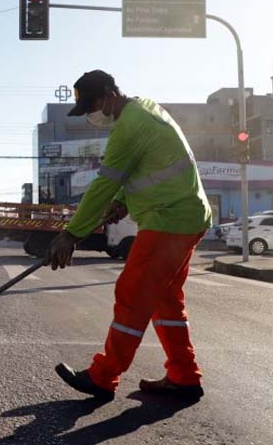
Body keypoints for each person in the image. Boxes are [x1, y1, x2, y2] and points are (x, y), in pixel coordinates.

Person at [47, 70, 212, 401]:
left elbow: (104, 183)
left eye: (91, 107)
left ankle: (102, 376)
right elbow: (146, 167)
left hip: (168, 219)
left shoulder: (129, 126)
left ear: (109, 94)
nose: (92, 117)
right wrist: (122, 203)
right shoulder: (145, 109)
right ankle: (184, 376)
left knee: (133, 293)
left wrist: (72, 234)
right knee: (165, 301)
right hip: (187, 216)